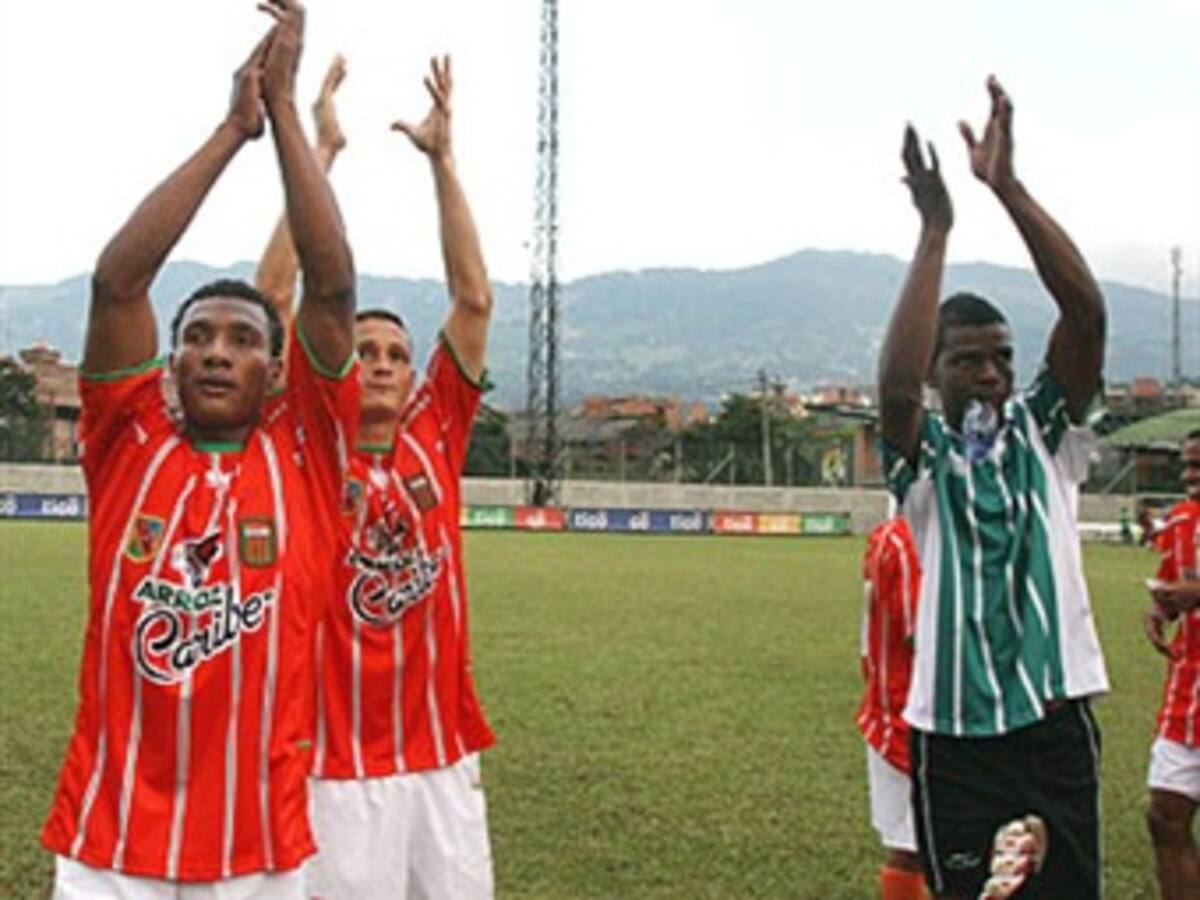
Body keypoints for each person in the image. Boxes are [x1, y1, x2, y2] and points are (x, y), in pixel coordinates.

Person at [40, 2, 360, 895]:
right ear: (171, 362)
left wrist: (287, 111)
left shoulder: (305, 453)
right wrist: (231, 130)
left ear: (278, 369)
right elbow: (118, 281)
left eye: (245, 338)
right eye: (200, 336)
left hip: (257, 855)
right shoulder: (128, 441)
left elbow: (332, 284)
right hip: (109, 851)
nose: (218, 350)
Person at [254, 54, 497, 897]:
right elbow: (274, 295)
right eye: (365, 351)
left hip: (439, 755)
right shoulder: (309, 441)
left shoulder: (436, 432)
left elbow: (471, 302)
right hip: (332, 765)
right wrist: (319, 156)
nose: (385, 363)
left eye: (397, 352)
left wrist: (443, 162)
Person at [877, 76, 1109, 899]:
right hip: (956, 737)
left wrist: (1005, 188)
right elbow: (896, 397)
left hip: (1053, 724)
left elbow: (1085, 316)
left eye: (1002, 357)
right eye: (968, 359)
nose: (991, 373)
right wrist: (935, 229)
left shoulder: (1045, 433)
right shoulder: (925, 461)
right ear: (938, 374)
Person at [1142, 429, 1200, 900]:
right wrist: (1162, 609)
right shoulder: (1181, 521)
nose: (1190, 476)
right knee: (1164, 814)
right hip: (1188, 692)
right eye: (1186, 466)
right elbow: (1173, 586)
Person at [856, 514, 926, 899]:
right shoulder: (904, 542)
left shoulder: (892, 538)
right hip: (908, 721)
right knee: (913, 847)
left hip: (898, 712)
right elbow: (927, 638)